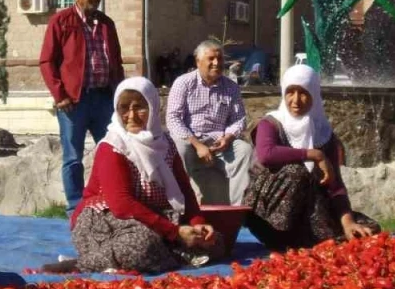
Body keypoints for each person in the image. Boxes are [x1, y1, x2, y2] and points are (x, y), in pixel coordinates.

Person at [69, 78, 222, 273]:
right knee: (142, 245)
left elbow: (184, 189)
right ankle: (88, 261)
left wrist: (198, 224)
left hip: (149, 214)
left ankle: (172, 252)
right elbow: (121, 205)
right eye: (124, 108)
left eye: (139, 107)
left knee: (215, 241)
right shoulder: (113, 146)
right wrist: (175, 233)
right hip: (106, 219)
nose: (131, 115)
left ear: (152, 108)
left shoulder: (165, 142)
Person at [244, 65, 379, 250]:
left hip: (308, 208)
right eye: (290, 92)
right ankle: (279, 238)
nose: (296, 100)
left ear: (314, 94)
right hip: (266, 214)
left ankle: (301, 240)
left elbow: (335, 185)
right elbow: (267, 155)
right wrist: (312, 154)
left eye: (303, 93)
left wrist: (348, 223)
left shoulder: (323, 133)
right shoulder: (271, 123)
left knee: (368, 229)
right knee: (296, 172)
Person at [39, 0, 125, 212]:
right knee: (73, 157)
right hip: (73, 102)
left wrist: (120, 97)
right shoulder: (61, 21)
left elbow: (116, 62)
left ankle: (111, 200)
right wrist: (60, 95)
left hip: (104, 99)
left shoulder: (107, 24)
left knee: (113, 150)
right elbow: (47, 61)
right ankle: (75, 208)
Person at [166, 40, 254, 206]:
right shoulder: (183, 83)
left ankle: (236, 209)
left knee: (244, 150)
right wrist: (198, 145)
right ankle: (187, 203)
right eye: (211, 59)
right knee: (179, 147)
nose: (216, 63)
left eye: (219, 59)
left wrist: (227, 138)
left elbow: (239, 119)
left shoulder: (231, 87)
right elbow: (173, 119)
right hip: (191, 141)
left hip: (220, 142)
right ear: (198, 62)